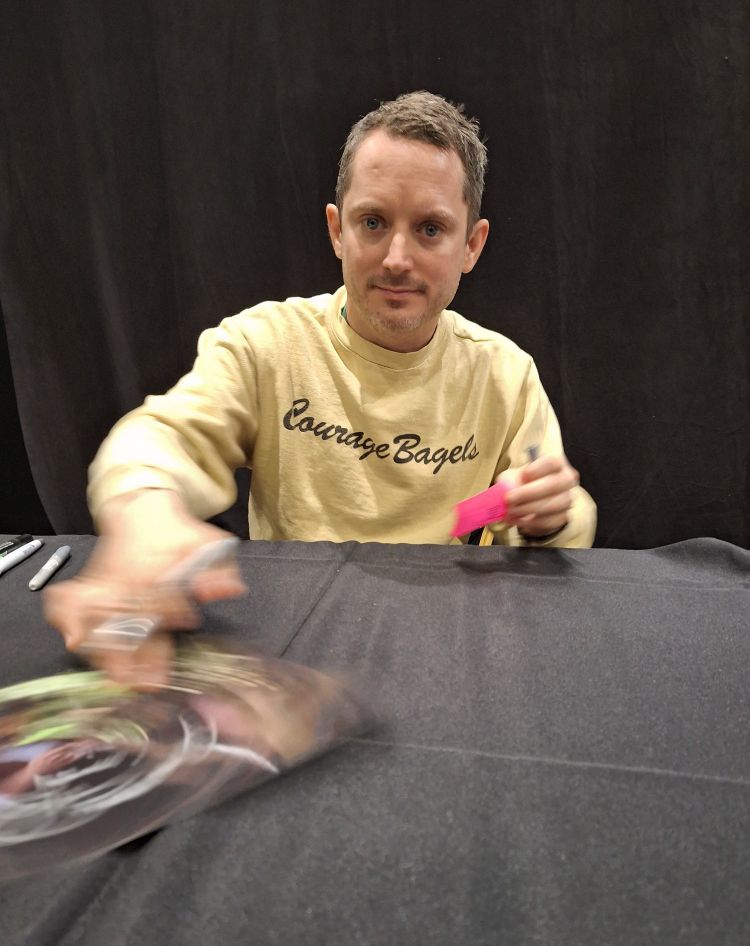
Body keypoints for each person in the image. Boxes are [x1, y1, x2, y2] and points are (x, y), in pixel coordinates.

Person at [45, 91, 596, 679]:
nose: (396, 259)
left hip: (444, 642)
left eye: (431, 229)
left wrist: (550, 517)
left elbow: (557, 529)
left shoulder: (504, 374)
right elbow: (161, 438)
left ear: (472, 245)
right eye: (373, 222)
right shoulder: (265, 343)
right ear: (338, 231)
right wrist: (143, 515)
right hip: (291, 635)